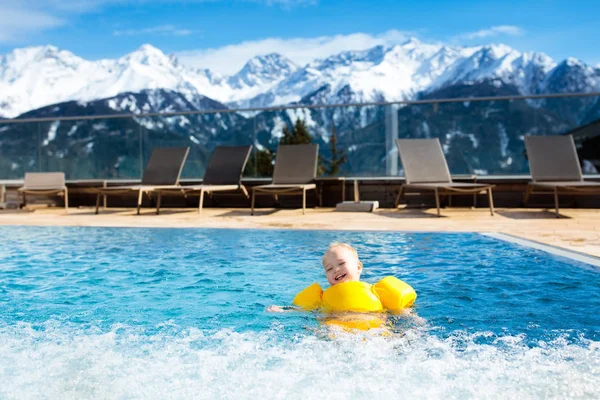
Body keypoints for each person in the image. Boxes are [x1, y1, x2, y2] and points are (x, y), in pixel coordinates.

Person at [267, 242, 416, 320]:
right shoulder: (323, 297)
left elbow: (400, 311)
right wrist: (283, 310)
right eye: (329, 269)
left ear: (358, 267)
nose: (336, 270)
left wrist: (411, 318)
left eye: (341, 264)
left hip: (374, 330)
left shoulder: (376, 292)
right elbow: (304, 310)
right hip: (336, 331)